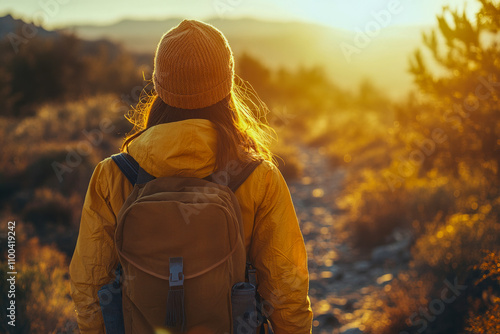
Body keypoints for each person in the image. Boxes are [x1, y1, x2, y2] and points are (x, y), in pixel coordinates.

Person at [69, 19, 313, 333]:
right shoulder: (258, 175)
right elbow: (286, 286)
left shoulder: (112, 174)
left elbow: (90, 282)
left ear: (158, 85)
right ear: (227, 85)